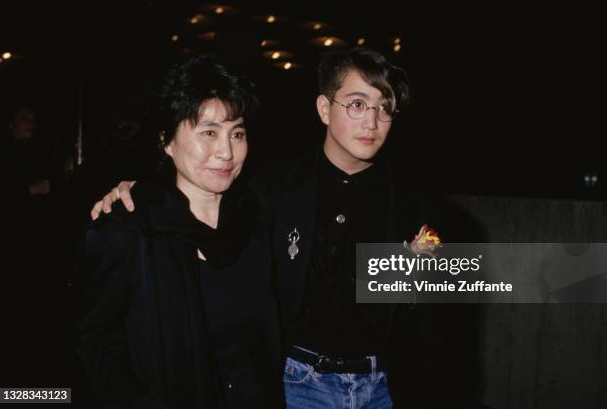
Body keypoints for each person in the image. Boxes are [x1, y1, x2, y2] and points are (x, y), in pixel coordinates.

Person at [92, 47, 481, 408]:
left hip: (384, 388)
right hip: (298, 386)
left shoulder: (420, 206)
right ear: (324, 109)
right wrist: (139, 191)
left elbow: (434, 320)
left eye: (385, 108)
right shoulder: (271, 189)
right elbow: (200, 186)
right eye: (358, 104)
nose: (372, 121)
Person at [76, 57, 284, 409]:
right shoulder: (130, 229)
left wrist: (410, 269)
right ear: (166, 141)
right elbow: (95, 343)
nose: (226, 151)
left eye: (237, 132)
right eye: (208, 132)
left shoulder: (260, 218)